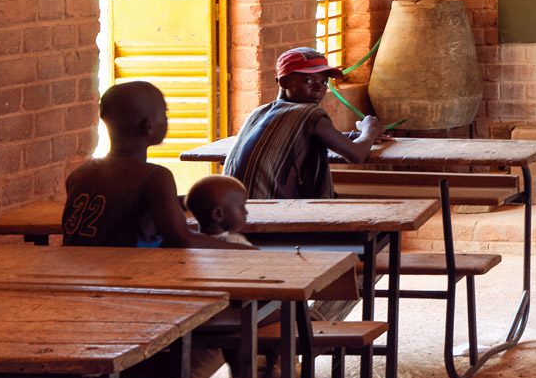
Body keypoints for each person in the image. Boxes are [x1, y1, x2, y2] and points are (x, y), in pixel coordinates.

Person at [62, 81, 252, 249]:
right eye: (165, 113)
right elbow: (182, 240)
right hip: (124, 277)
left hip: (77, 271)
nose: (167, 118)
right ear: (149, 126)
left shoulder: (80, 173)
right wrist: (247, 252)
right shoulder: (155, 177)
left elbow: (122, 210)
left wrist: (185, 200)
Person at [223, 47, 385, 201]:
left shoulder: (259, 113)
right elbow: (356, 155)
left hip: (235, 214)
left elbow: (295, 140)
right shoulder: (308, 114)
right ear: (283, 82)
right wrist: (369, 130)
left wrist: (351, 137)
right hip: (266, 219)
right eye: (308, 81)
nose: (318, 88)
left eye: (323, 82)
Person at [186, 175, 253, 245]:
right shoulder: (236, 243)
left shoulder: (193, 243)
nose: (246, 212)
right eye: (242, 207)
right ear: (218, 214)